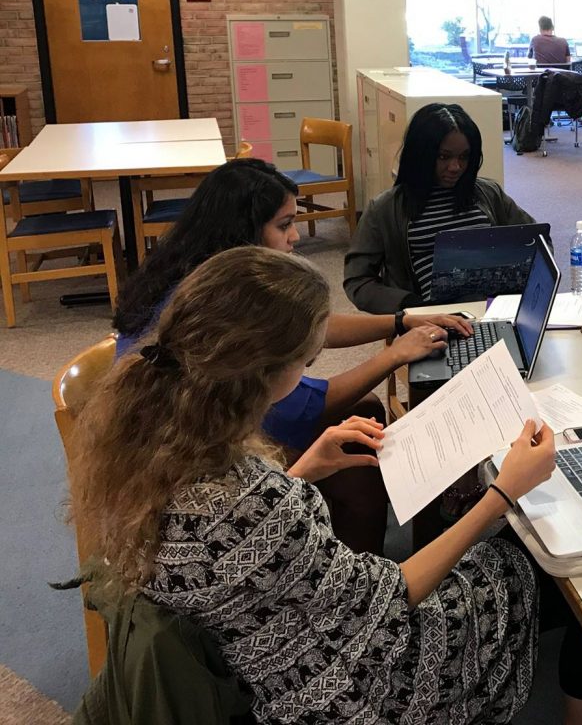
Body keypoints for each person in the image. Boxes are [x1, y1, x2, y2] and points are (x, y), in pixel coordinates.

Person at [71, 246, 582, 724]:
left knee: (505, 540)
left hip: (265, 651)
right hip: (338, 692)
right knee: (532, 560)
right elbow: (392, 599)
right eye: (307, 360)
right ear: (270, 371)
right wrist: (502, 494)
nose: (309, 369)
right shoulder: (253, 502)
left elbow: (231, 545)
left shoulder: (154, 437)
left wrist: (304, 467)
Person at [113, 158, 472, 552]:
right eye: (284, 225)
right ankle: (352, 575)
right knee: (359, 456)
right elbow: (303, 407)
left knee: (366, 412)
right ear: (244, 232)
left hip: (162, 434)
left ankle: (339, 543)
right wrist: (393, 357)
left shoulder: (198, 272)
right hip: (187, 463)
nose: (295, 236)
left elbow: (310, 325)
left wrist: (400, 321)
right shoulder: (226, 308)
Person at [345, 103, 535, 314]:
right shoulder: (385, 209)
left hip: (493, 311)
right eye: (443, 157)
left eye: (464, 157)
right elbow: (357, 280)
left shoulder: (488, 194)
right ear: (421, 155)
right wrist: (408, 305)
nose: (455, 167)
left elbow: (538, 242)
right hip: (428, 320)